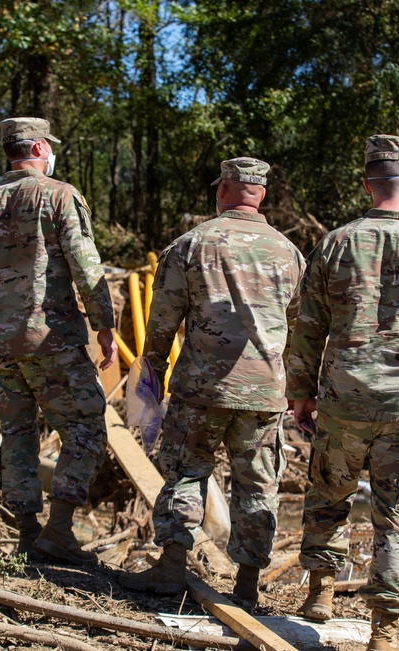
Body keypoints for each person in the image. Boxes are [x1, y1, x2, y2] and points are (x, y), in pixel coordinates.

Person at [286, 135, 399, 651]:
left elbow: (307, 326)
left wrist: (300, 392)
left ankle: (320, 593)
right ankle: (384, 630)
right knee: (396, 516)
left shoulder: (336, 243)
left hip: (344, 400)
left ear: (367, 184)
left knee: (327, 495)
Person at [120, 157, 305, 609]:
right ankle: (246, 585)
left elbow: (160, 325)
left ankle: (171, 567)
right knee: (258, 485)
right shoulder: (289, 253)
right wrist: (298, 389)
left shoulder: (190, 246)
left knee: (186, 474)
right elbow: (301, 329)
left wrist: (151, 383)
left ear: (222, 190)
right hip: (264, 391)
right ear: (260, 194)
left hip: (200, 390)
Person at [0, 117, 118, 566]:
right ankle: (59, 531)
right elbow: (86, 264)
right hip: (54, 341)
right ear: (41, 148)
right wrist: (105, 325)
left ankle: (27, 535)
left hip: (1, 350)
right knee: (85, 430)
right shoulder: (60, 195)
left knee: (17, 437)